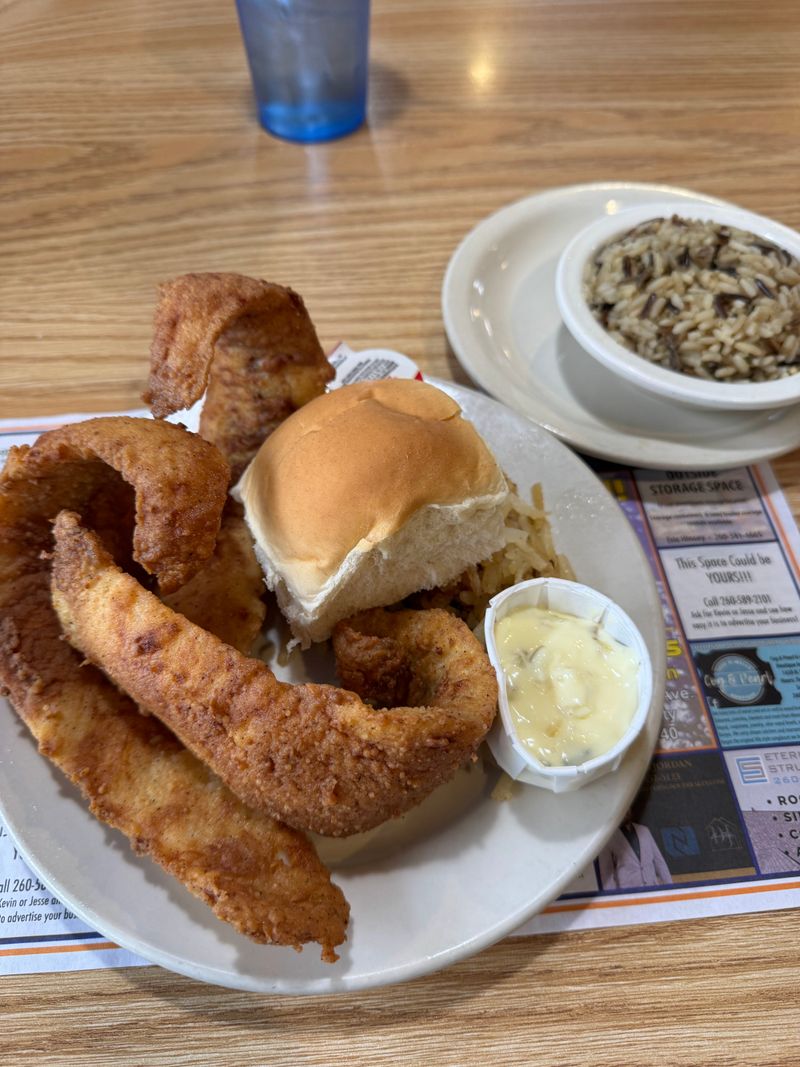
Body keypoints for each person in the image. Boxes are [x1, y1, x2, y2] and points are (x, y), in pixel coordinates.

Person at [598, 811, 673, 890]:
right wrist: (613, 898)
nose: (625, 813)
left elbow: (659, 862)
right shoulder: (609, 838)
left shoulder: (644, 830)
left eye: (627, 809)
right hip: (628, 892)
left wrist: (670, 887)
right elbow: (606, 873)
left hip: (652, 888)